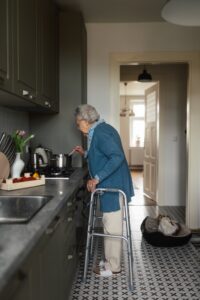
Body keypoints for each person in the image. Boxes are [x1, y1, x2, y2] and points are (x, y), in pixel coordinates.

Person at [74, 104, 134, 277]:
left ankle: (113, 266)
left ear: (85, 121)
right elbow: (101, 154)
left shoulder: (101, 133)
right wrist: (85, 153)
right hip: (111, 185)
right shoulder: (100, 130)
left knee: (112, 224)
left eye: (78, 124)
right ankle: (110, 261)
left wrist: (97, 178)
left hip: (113, 186)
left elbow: (117, 157)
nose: (78, 127)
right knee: (109, 223)